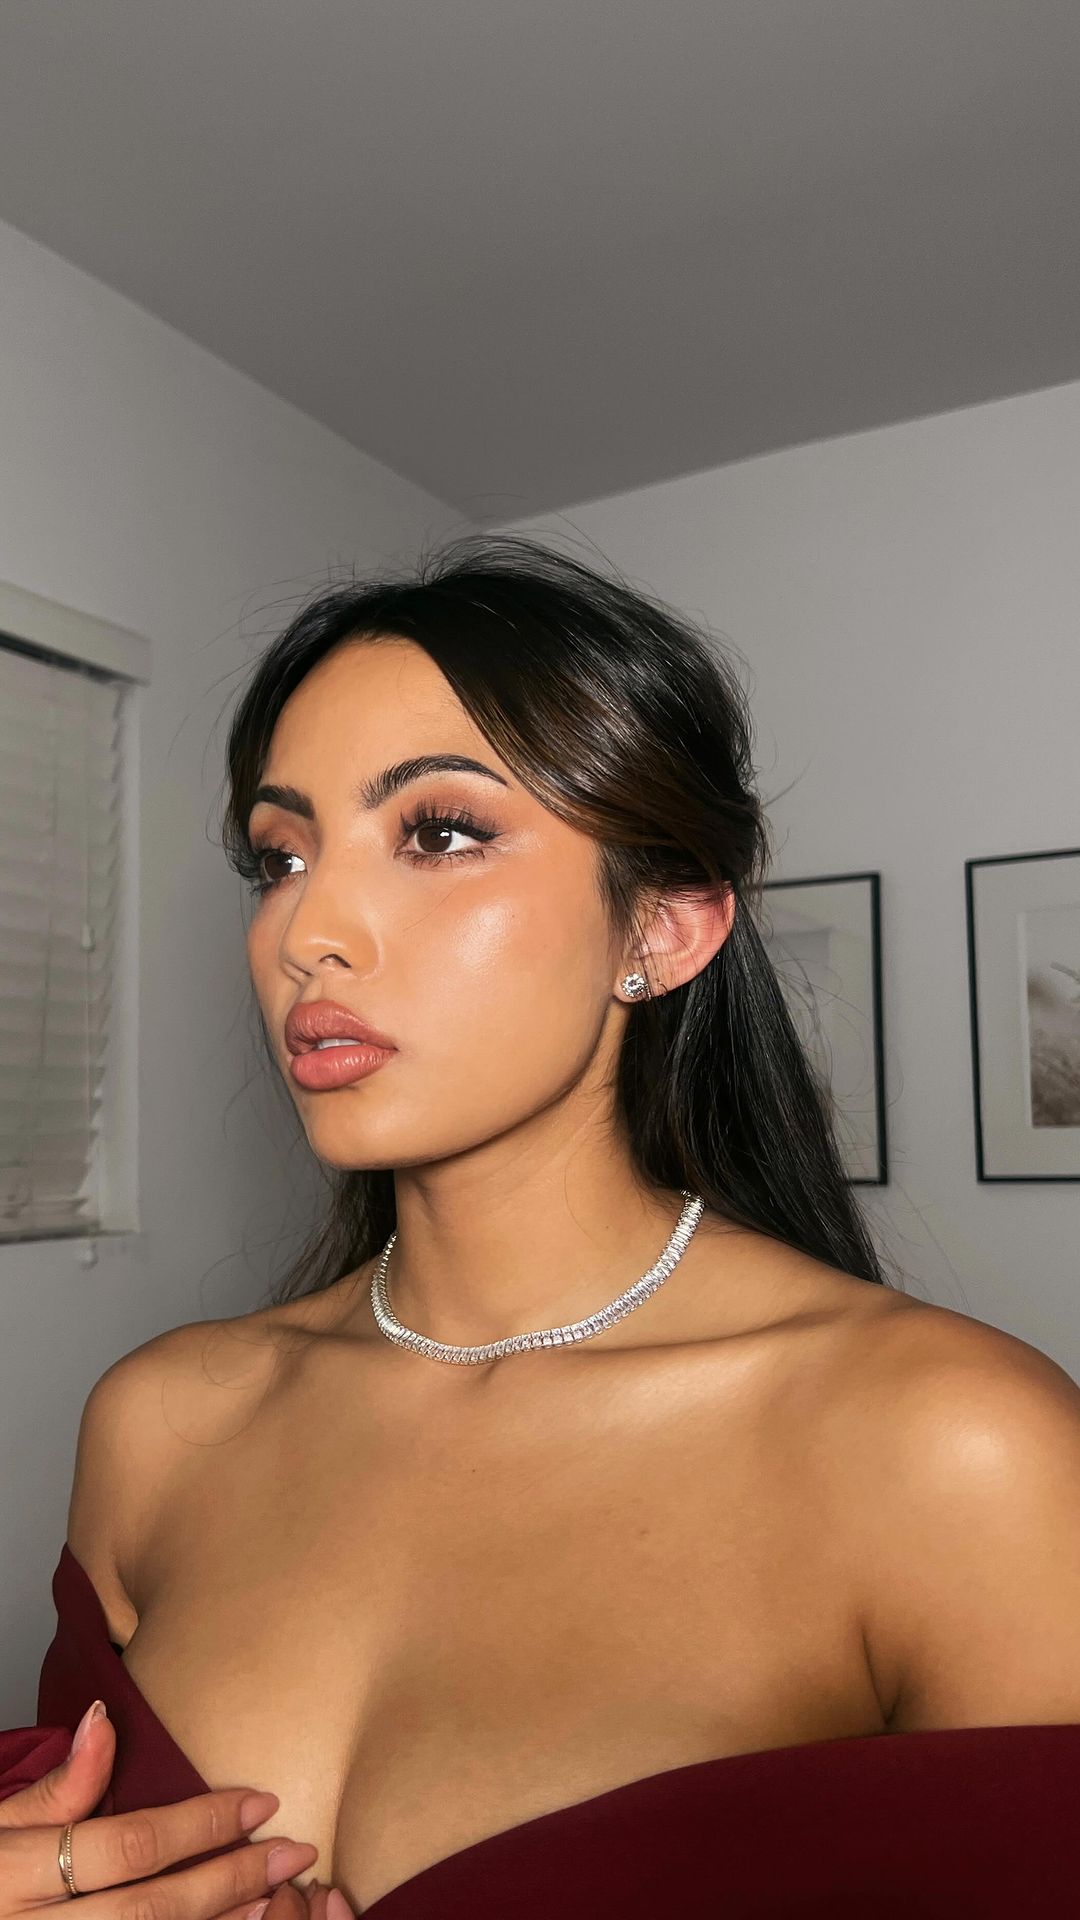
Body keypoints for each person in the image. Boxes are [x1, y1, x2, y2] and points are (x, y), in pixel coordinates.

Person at [4, 533, 1080, 1916]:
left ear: (664, 928)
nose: (309, 930)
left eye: (439, 833)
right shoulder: (160, 1425)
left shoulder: (956, 1449)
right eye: (280, 855)